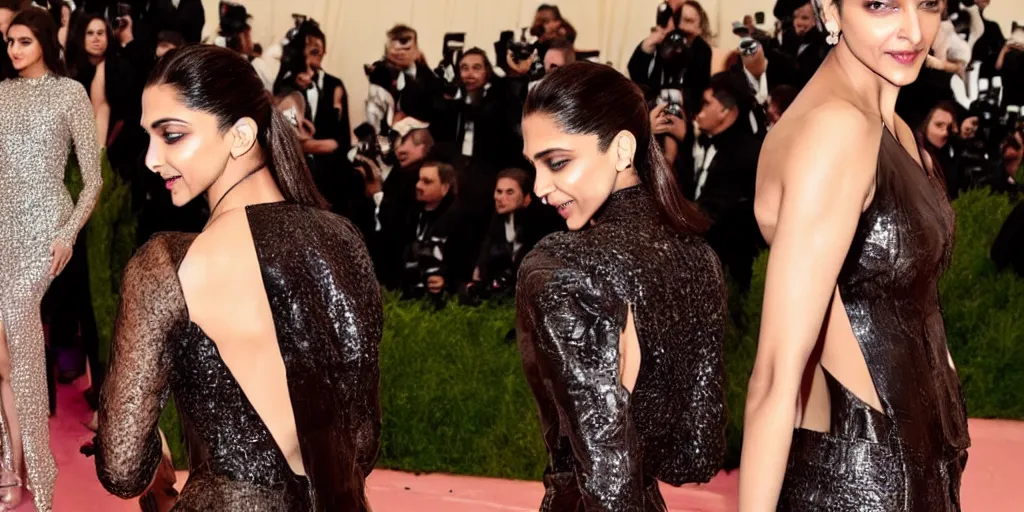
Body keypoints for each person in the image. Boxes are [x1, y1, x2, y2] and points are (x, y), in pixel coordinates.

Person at [94, 45, 382, 511]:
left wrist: (157, 454)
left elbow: (122, 468)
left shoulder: (169, 264)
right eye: (150, 136)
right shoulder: (344, 239)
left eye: (171, 134)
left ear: (241, 134)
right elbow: (362, 442)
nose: (151, 158)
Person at [740, 0, 970, 510]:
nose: (913, 31)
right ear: (830, 10)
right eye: (881, 5)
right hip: (866, 484)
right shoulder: (836, 130)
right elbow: (776, 374)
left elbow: (915, 302)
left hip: (919, 460)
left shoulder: (896, 130)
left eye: (928, 4)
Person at [516, 62, 727, 510]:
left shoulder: (563, 264)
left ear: (621, 149)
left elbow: (607, 471)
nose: (538, 187)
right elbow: (697, 450)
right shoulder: (697, 255)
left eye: (557, 162)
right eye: (533, 166)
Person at [0, 8, 101, 511]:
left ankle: (40, 473)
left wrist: (67, 234)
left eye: (22, 40)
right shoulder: (0, 93)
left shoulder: (69, 93)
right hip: (1, 227)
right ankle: (8, 468)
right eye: (8, 41)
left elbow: (94, 179)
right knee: (2, 356)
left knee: (21, 331)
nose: (13, 49)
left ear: (42, 40)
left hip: (45, 231)